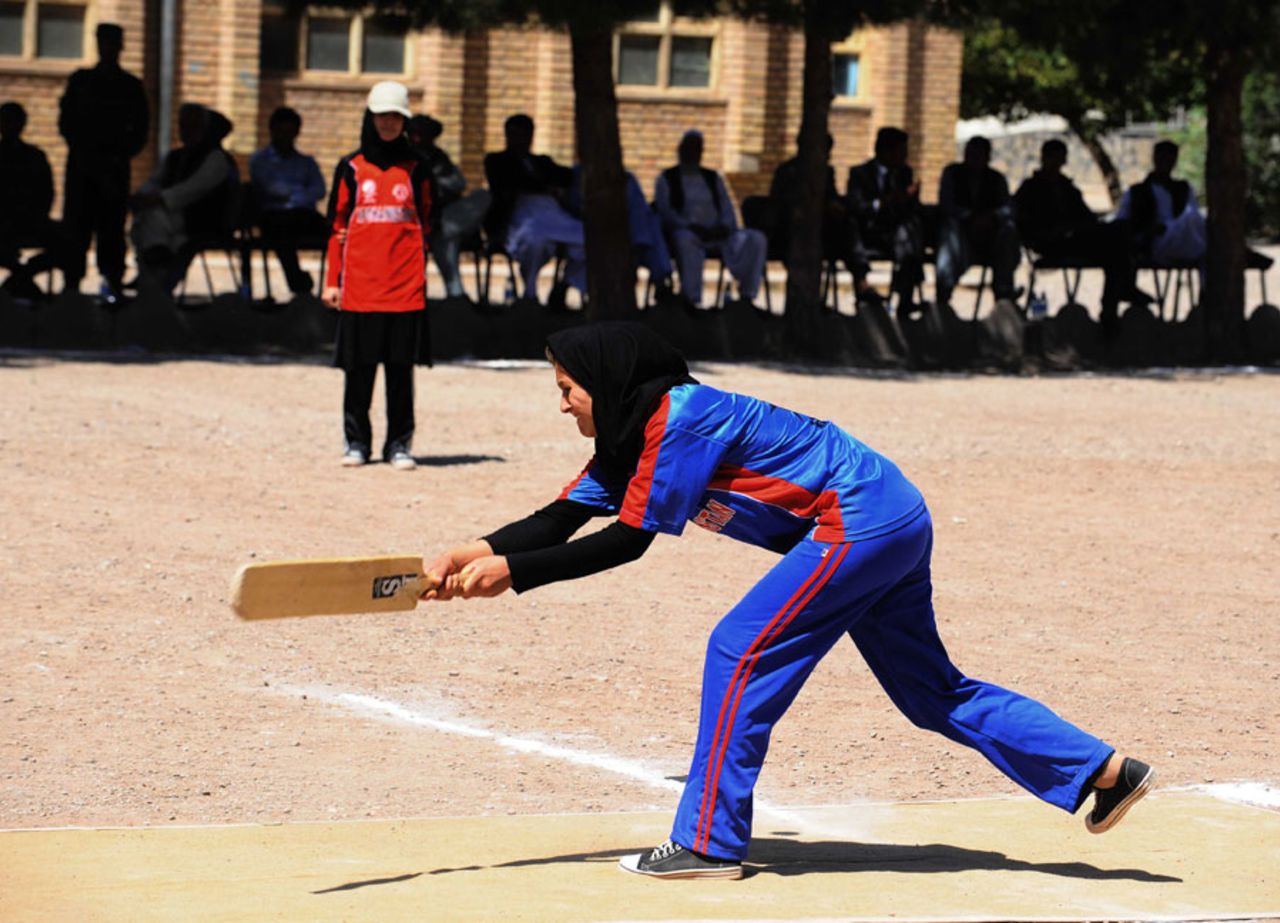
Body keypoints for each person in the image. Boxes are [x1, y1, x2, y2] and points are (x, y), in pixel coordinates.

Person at [421, 321, 1156, 881]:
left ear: (604, 380)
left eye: (566, 388)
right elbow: (560, 518)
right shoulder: (632, 433)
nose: (562, 403)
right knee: (932, 692)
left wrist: (515, 574)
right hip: (890, 513)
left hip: (857, 520)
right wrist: (474, 550)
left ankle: (707, 842)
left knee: (739, 649)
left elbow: (628, 541)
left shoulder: (679, 419)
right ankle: (1103, 768)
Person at [322, 81, 431, 472]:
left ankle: (399, 444)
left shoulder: (417, 168)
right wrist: (332, 280)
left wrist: (418, 274)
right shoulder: (350, 168)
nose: (388, 122)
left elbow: (427, 223)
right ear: (371, 116)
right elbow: (336, 227)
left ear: (404, 121)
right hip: (360, 286)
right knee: (359, 369)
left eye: (395, 116)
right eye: (382, 115)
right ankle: (357, 442)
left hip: (404, 287)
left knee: (400, 370)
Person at [1015, 139, 1149, 337]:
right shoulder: (1030, 188)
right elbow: (1023, 221)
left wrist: (1081, 228)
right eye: (1052, 157)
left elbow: (1086, 218)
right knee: (1115, 244)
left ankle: (1111, 308)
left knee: (1117, 243)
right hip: (1049, 243)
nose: (1056, 163)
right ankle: (1119, 296)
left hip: (1074, 240)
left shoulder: (1067, 188)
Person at [58, 22, 149, 302]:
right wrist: (88, 155)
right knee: (77, 227)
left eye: (113, 43)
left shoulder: (130, 87)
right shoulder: (82, 82)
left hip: (113, 169)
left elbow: (141, 130)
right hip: (83, 169)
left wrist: (116, 157)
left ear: (120, 47)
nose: (108, 48)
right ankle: (72, 282)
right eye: (104, 42)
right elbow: (67, 123)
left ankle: (112, 280)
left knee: (111, 229)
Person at [129, 103, 238, 292]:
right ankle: (157, 268)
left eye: (194, 127)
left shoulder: (216, 159)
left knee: (153, 217)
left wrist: (158, 199)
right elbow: (155, 181)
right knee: (149, 221)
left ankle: (156, 267)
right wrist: (142, 196)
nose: (187, 132)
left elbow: (193, 189)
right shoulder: (174, 157)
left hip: (201, 219)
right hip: (172, 222)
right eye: (184, 126)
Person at [655, 131, 766, 311]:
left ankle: (747, 297)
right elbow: (666, 213)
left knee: (756, 239)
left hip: (718, 233)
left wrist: (723, 227)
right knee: (684, 240)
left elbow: (727, 209)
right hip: (689, 233)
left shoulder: (713, 178)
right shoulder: (667, 179)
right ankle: (692, 299)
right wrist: (692, 227)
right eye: (689, 149)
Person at [483, 114, 584, 307]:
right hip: (521, 213)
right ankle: (529, 291)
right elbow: (507, 183)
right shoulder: (497, 160)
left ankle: (566, 284)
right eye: (515, 135)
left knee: (586, 238)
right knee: (534, 238)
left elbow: (566, 177)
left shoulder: (542, 162)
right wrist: (544, 186)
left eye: (525, 135)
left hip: (553, 212)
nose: (520, 140)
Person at [770, 133, 877, 307]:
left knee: (847, 227)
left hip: (823, 231)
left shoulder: (826, 172)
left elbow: (832, 197)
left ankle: (860, 281)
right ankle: (808, 298)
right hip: (791, 234)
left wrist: (835, 207)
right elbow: (781, 207)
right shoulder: (787, 172)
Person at [407, 114, 492, 307]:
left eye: (424, 134)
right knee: (445, 238)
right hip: (414, 223)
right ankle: (456, 294)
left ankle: (456, 297)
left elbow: (457, 184)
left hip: (442, 219)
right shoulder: (404, 158)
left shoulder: (438, 158)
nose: (420, 139)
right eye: (416, 134)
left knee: (482, 197)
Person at [248, 106, 328, 297]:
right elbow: (271, 188)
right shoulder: (260, 160)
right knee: (281, 235)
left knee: (337, 233)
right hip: (274, 217)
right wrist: (299, 193)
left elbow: (319, 190)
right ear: (272, 131)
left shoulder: (306, 162)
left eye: (290, 133)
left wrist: (292, 195)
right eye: (281, 132)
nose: (285, 137)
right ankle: (298, 283)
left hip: (303, 215)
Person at [935, 135, 1022, 311]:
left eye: (978, 155)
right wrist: (970, 217)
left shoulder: (996, 179)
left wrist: (990, 218)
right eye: (970, 154)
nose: (974, 159)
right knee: (949, 231)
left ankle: (1004, 291)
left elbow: (1007, 208)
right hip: (961, 233)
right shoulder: (952, 174)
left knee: (1009, 231)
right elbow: (947, 205)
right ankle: (944, 291)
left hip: (989, 236)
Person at [846, 127, 926, 312]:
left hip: (894, 232)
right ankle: (862, 285)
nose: (905, 156)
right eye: (901, 151)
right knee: (849, 225)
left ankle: (905, 295)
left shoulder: (904, 173)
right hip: (865, 231)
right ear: (885, 151)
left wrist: (910, 199)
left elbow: (909, 211)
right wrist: (883, 202)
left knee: (909, 232)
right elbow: (856, 206)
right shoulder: (860, 173)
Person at [0, 102, 63, 303]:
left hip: (29, 221)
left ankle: (18, 278)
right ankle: (22, 278)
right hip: (13, 222)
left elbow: (47, 194)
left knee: (69, 241)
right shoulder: (35, 156)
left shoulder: (35, 157)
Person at [1115, 140, 1206, 267]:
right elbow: (1122, 221)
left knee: (1194, 218)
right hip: (1155, 244)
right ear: (1155, 159)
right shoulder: (1137, 192)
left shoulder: (1183, 189)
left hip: (1183, 238)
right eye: (1162, 158)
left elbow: (1193, 216)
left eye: (1170, 159)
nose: (1166, 163)